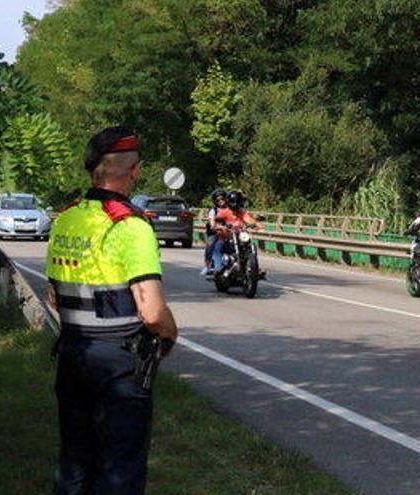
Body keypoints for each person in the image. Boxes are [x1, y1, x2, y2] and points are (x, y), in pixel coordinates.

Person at [45, 126, 179, 495]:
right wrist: (170, 334)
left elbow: (54, 296)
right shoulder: (130, 225)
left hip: (74, 353)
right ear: (133, 171)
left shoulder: (66, 219)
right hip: (118, 363)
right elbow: (151, 312)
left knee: (74, 460)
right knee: (120, 467)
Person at [211, 191, 263, 273]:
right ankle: (218, 267)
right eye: (233, 201)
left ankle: (254, 268)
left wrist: (256, 225)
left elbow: (249, 220)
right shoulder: (224, 212)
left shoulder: (242, 213)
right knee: (218, 246)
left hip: (239, 236)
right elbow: (216, 224)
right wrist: (221, 227)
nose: (235, 204)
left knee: (251, 246)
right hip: (226, 237)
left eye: (237, 201)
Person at [201, 189, 228, 275]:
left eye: (222, 199)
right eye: (218, 200)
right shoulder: (213, 211)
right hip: (215, 232)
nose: (221, 201)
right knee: (210, 244)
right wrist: (217, 226)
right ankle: (207, 266)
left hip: (228, 232)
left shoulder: (230, 209)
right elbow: (212, 224)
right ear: (215, 201)